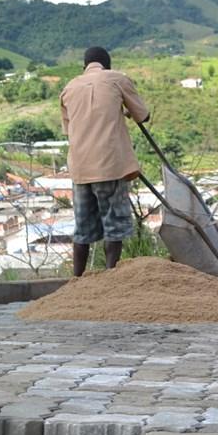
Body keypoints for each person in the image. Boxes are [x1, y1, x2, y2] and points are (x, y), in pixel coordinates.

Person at [60, 47, 149, 277]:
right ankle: (111, 278)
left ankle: (76, 280)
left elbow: (68, 129)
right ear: (107, 64)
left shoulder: (69, 87)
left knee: (83, 227)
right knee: (115, 224)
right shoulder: (117, 79)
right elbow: (143, 115)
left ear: (85, 66)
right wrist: (126, 111)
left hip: (80, 168)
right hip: (110, 165)